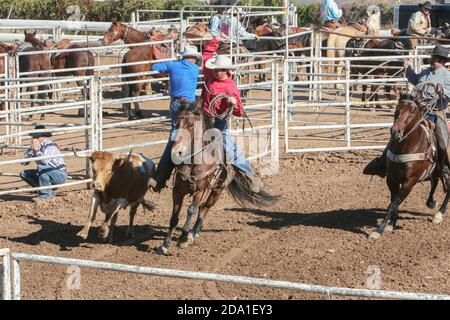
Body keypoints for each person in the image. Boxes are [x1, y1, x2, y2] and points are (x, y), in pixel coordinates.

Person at [363, 45, 450, 178]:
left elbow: (448, 95)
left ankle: (445, 168)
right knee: (398, 129)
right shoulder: (426, 72)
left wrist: (442, 91)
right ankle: (382, 162)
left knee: (443, 142)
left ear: (442, 61)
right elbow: (415, 80)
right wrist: (408, 68)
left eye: (435, 58)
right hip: (419, 111)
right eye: (432, 58)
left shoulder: (447, 76)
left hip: (435, 113)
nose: (432, 60)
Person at [200, 36, 262, 193]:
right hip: (204, 117)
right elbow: (206, 55)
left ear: (226, 70)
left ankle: (250, 173)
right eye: (214, 69)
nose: (215, 72)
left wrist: (233, 102)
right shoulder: (209, 75)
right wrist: (215, 39)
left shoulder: (231, 87)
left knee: (228, 148)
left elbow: (239, 112)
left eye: (218, 70)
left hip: (219, 121)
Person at [148, 46, 201, 192]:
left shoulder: (173, 65)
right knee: (197, 133)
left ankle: (161, 175)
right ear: (192, 58)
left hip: (176, 103)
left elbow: (154, 66)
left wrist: (168, 70)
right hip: (191, 105)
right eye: (195, 58)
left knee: (174, 134)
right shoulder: (195, 69)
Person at [20, 125, 67, 201]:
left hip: (59, 174)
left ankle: (45, 195)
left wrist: (36, 150)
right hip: (48, 172)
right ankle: (48, 190)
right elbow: (23, 162)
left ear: (43, 137)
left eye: (37, 137)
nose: (34, 139)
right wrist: (30, 150)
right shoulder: (37, 145)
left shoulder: (49, 145)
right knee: (24, 173)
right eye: (34, 137)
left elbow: (45, 161)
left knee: (41, 167)